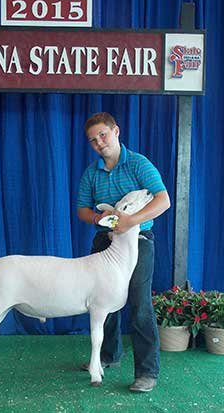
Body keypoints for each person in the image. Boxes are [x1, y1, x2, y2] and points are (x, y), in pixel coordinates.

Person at [77, 112, 170, 393]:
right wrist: (98, 219)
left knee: (140, 303)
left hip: (137, 240)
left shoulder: (139, 164)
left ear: (116, 131)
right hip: (105, 241)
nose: (99, 143)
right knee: (104, 303)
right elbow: (82, 209)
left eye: (103, 135)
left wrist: (132, 220)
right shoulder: (91, 173)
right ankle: (108, 355)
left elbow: (163, 200)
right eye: (93, 140)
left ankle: (147, 371)